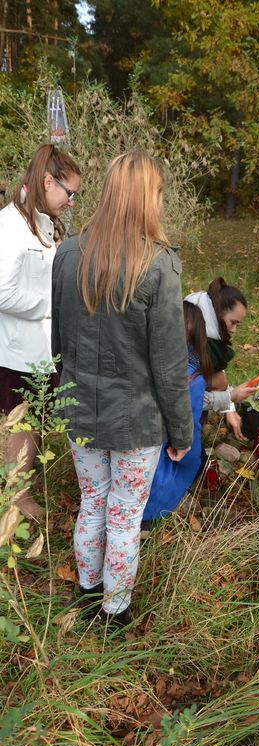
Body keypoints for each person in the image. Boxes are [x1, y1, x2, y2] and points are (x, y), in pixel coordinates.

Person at [52, 150, 193, 628]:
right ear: (144, 198)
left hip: (81, 411)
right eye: (157, 193)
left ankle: (88, 592)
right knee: (123, 514)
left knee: (94, 501)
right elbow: (171, 365)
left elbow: (59, 341)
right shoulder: (159, 265)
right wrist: (182, 433)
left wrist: (60, 395)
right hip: (136, 420)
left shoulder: (69, 252)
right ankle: (114, 612)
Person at [0, 144, 81, 520]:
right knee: (21, 422)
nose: (72, 201)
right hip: (16, 349)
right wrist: (54, 304)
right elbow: (3, 291)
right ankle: (17, 499)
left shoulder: (43, 223)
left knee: (32, 420)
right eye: (70, 193)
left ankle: (21, 490)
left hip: (41, 348)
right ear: (48, 181)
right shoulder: (9, 226)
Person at [142, 301, 258, 524]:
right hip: (161, 454)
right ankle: (150, 517)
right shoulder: (192, 375)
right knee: (193, 461)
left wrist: (229, 401)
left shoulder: (148, 359)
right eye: (233, 323)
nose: (234, 330)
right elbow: (188, 424)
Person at [186, 277, 249, 440]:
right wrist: (230, 398)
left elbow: (218, 377)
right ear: (216, 314)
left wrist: (230, 408)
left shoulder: (206, 341)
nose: (234, 330)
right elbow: (187, 398)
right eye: (232, 322)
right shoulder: (191, 347)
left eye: (238, 325)